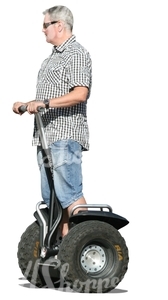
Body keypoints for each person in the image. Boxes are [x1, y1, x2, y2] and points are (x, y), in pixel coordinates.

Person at [12, 5, 92, 237]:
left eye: (46, 24)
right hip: (47, 137)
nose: (42, 29)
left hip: (64, 136)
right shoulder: (52, 59)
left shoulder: (76, 53)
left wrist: (44, 103)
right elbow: (51, 97)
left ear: (59, 25)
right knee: (54, 199)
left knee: (69, 194)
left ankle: (89, 243)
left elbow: (80, 94)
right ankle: (65, 250)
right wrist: (28, 104)